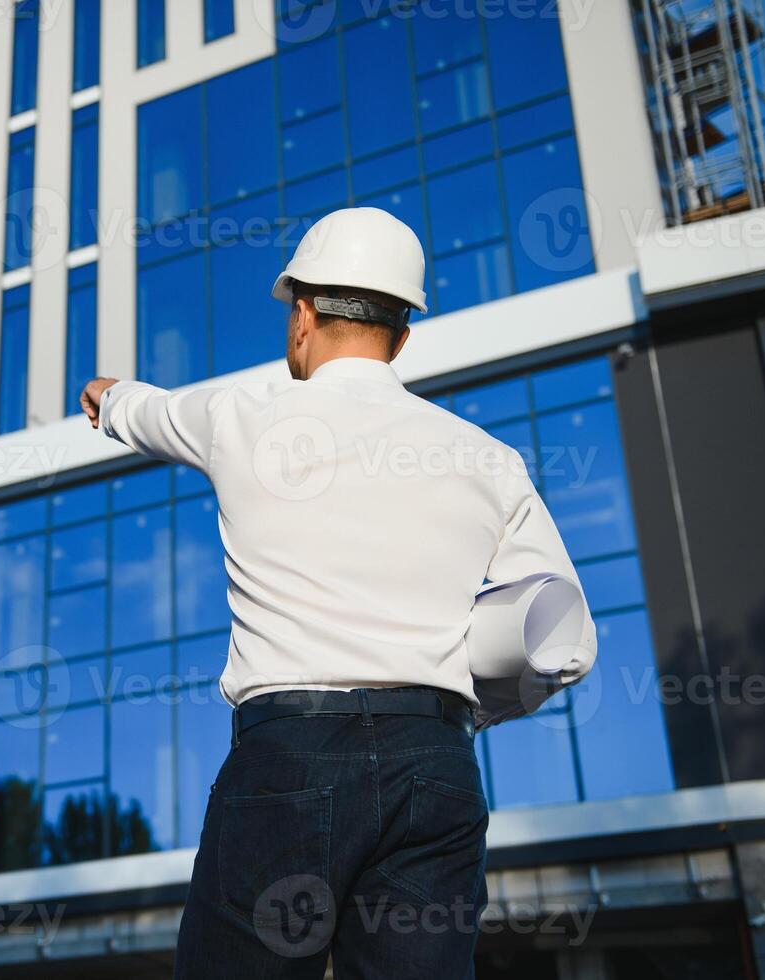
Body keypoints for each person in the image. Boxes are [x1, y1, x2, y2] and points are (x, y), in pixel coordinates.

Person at [79, 208, 596, 979]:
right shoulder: (486, 457)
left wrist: (109, 398)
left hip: (289, 757)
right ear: (402, 336)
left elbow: (138, 409)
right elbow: (566, 643)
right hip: (434, 760)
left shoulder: (237, 417)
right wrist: (463, 710)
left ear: (301, 316)